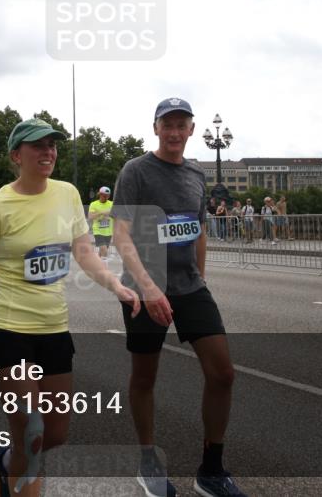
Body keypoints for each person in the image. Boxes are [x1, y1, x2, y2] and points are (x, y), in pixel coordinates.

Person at [0, 118, 140, 497]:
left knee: (55, 434)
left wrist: (116, 285)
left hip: (54, 329)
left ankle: (5, 461)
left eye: (52, 145)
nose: (48, 152)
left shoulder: (66, 194)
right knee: (31, 431)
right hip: (7, 330)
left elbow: (83, 252)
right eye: (38, 146)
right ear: (17, 155)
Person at [111, 98, 247, 497]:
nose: (174, 132)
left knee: (223, 373)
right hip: (142, 288)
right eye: (166, 124)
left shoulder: (195, 173)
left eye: (181, 125)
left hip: (189, 287)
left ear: (191, 130)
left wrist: (200, 277)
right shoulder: (135, 171)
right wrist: (149, 288)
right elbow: (121, 235)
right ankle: (148, 462)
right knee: (145, 377)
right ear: (155, 129)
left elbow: (197, 228)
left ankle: (211, 470)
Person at [88, 186, 115, 260]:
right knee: (104, 250)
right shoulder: (94, 204)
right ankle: (103, 268)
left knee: (102, 251)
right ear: (99, 194)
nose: (106, 197)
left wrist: (110, 214)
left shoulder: (112, 204)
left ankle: (95, 263)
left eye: (107, 196)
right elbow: (90, 217)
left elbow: (116, 215)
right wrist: (102, 212)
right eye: (104, 195)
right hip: (98, 231)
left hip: (108, 232)